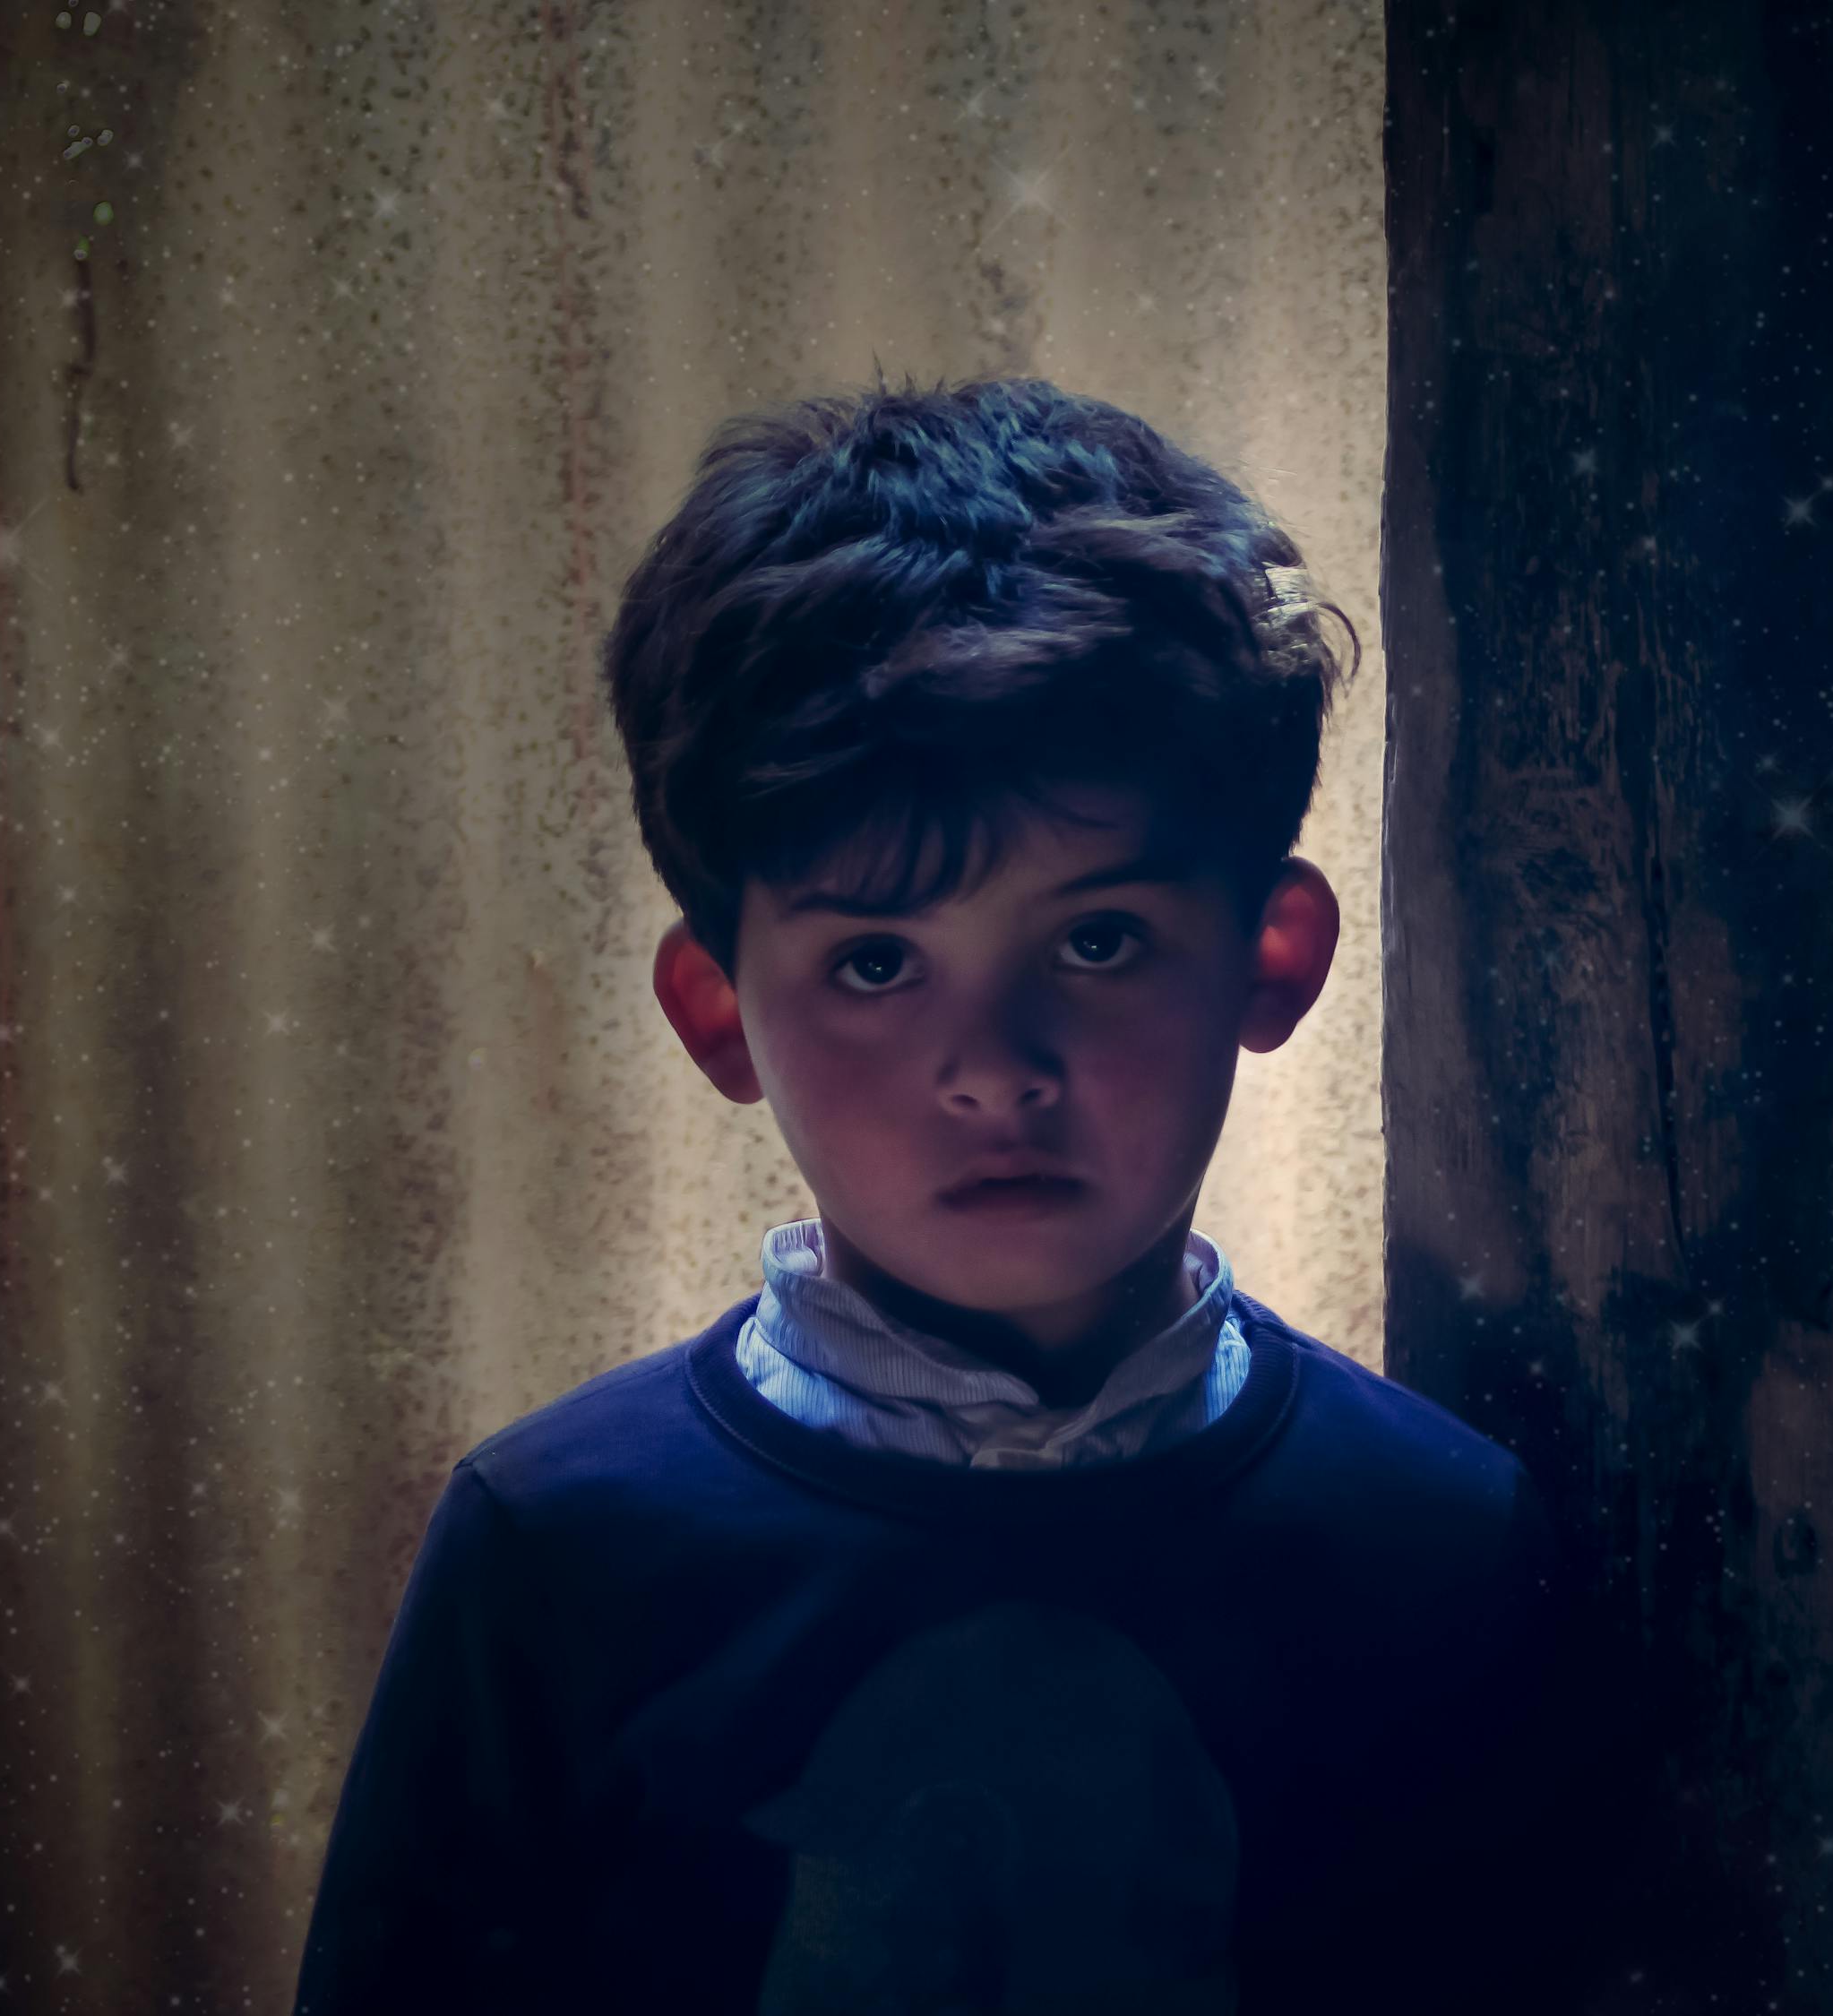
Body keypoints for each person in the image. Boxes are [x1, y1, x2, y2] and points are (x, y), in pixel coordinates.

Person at [290, 375, 1662, 2013]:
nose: (995, 1069)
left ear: (1272, 957)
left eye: (1099, 940)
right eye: (876, 963)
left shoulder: (1438, 1543)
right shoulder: (556, 1554)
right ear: (718, 1013)